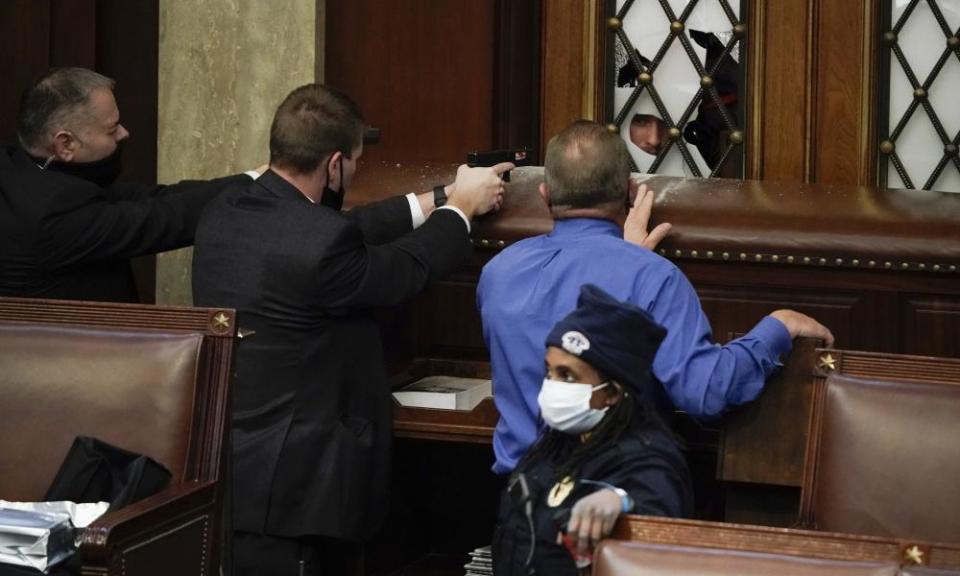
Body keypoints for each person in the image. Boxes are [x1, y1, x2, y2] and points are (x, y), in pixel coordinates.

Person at [191, 83, 512, 576]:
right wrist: (461, 212)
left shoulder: (227, 212)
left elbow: (341, 230)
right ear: (335, 164)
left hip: (232, 468)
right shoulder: (320, 243)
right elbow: (401, 270)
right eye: (357, 162)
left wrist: (441, 196)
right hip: (298, 489)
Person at [477, 120, 834, 475]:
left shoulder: (498, 272)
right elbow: (705, 392)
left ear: (545, 194)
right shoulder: (651, 277)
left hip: (520, 502)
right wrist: (777, 327)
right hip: (614, 501)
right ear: (631, 192)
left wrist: (628, 258)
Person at [0, 67, 254, 302]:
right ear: (65, 144)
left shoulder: (23, 164)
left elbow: (150, 198)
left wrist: (252, 178)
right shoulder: (52, 214)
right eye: (111, 130)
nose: (124, 133)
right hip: (69, 349)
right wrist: (268, 182)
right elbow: (161, 219)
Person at [493, 284, 693, 576]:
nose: (552, 386)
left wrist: (620, 500)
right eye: (549, 371)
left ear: (612, 392)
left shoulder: (649, 459)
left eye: (568, 376)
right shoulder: (559, 442)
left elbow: (655, 512)